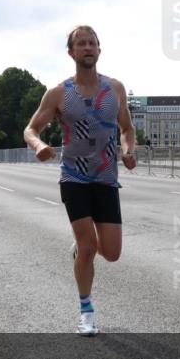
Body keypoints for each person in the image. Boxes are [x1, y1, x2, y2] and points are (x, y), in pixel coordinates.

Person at [24, 25, 137, 337]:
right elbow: (31, 128)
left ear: (99, 50)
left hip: (106, 178)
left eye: (92, 43)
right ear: (71, 53)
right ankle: (86, 310)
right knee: (90, 248)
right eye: (81, 44)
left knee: (111, 252)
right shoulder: (59, 93)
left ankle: (81, 244)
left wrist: (128, 150)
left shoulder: (115, 88)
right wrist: (39, 146)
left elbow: (126, 128)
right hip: (74, 176)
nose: (87, 48)